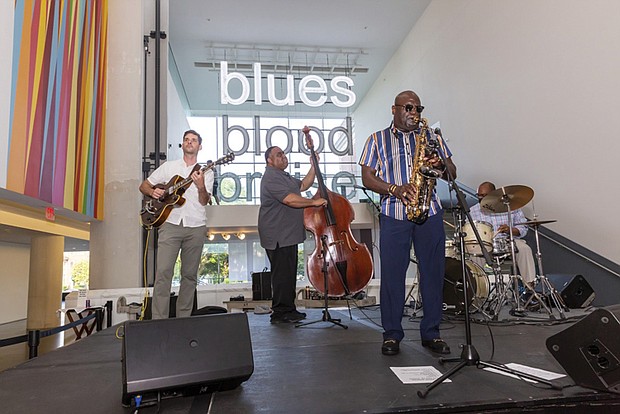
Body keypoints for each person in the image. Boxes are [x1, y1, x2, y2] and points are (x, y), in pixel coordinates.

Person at [359, 90, 457, 356]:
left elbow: (452, 173)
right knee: (392, 277)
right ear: (395, 109)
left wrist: (440, 162)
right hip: (394, 213)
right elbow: (367, 177)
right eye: (409, 108)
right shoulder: (376, 140)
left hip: (430, 211)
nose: (414, 113)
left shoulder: (431, 137)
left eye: (418, 109)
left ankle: (432, 333)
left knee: (433, 275)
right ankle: (392, 334)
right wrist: (394, 189)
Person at [139, 129, 214, 319]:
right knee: (163, 273)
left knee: (189, 276)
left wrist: (201, 186)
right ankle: (158, 320)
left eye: (194, 140)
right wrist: (153, 192)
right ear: (182, 144)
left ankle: (183, 319)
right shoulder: (169, 167)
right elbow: (144, 185)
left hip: (196, 226)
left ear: (200, 146)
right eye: (187, 140)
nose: (190, 142)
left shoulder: (207, 171)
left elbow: (204, 201)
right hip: (170, 224)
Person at [258, 144, 327, 324]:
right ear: (269, 160)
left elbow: (304, 184)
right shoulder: (271, 178)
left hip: (288, 234)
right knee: (281, 275)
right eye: (279, 155)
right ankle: (280, 313)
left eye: (284, 154)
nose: (284, 157)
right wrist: (313, 202)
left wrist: (314, 166)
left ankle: (289, 309)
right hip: (278, 234)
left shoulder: (284, 176)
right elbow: (290, 200)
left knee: (288, 273)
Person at [469, 181, 536, 287]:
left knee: (524, 249)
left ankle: (530, 287)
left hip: (508, 240)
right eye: (479, 195)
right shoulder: (473, 211)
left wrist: (510, 230)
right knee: (474, 253)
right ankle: (480, 289)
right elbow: (470, 234)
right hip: (485, 244)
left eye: (485, 195)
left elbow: (522, 228)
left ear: (494, 193)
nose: (481, 198)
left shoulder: (511, 206)